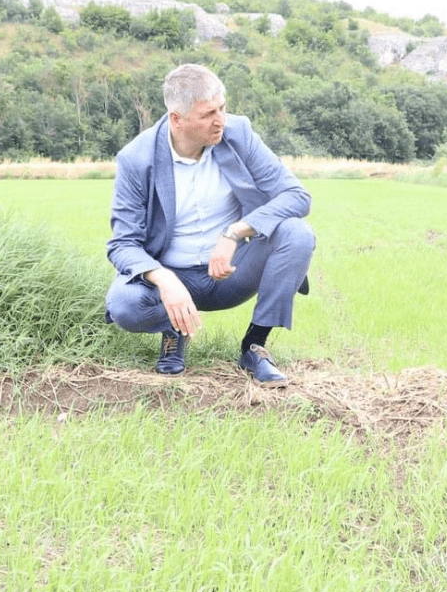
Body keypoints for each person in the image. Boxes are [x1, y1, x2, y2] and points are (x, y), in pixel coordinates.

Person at [104, 63, 315, 385]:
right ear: (178, 119)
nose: (220, 120)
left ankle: (254, 346)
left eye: (223, 108)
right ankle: (175, 331)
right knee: (124, 305)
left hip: (232, 272)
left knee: (297, 233)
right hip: (173, 278)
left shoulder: (237, 132)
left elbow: (297, 196)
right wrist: (165, 280)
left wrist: (235, 233)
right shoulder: (137, 158)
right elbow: (123, 244)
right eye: (208, 114)